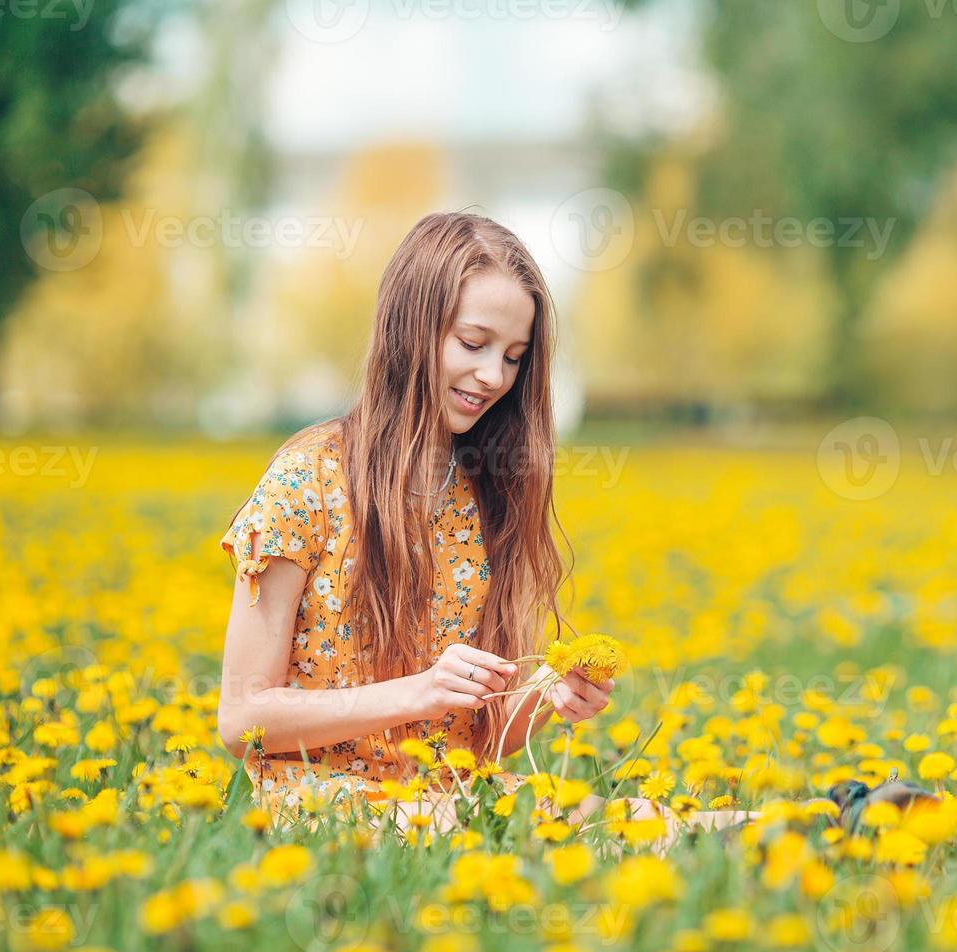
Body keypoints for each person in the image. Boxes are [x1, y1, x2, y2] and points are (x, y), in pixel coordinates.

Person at [216, 212, 756, 846]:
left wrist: (545, 696)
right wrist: (416, 692)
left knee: (622, 818)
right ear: (407, 330)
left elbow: (479, 742)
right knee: (522, 834)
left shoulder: (485, 492)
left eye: (514, 357)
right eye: (473, 344)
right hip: (319, 805)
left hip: (450, 798)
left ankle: (824, 820)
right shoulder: (306, 481)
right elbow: (243, 717)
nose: (494, 377)